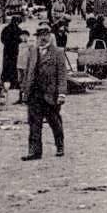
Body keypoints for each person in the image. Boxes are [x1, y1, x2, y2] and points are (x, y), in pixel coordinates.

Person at [20, 23, 68, 160]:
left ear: (50, 36)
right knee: (34, 124)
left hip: (50, 94)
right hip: (35, 94)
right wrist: (25, 91)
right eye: (40, 36)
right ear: (37, 37)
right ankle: (34, 152)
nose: (43, 38)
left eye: (46, 35)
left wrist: (62, 94)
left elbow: (62, 75)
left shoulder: (58, 52)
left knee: (55, 122)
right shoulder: (33, 51)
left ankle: (60, 146)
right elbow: (28, 72)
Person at [0, 16, 23, 90]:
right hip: (14, 50)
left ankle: (5, 80)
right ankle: (13, 82)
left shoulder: (6, 29)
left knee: (6, 65)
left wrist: (7, 43)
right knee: (14, 66)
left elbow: (2, 39)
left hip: (7, 50)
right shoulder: (18, 30)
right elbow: (21, 40)